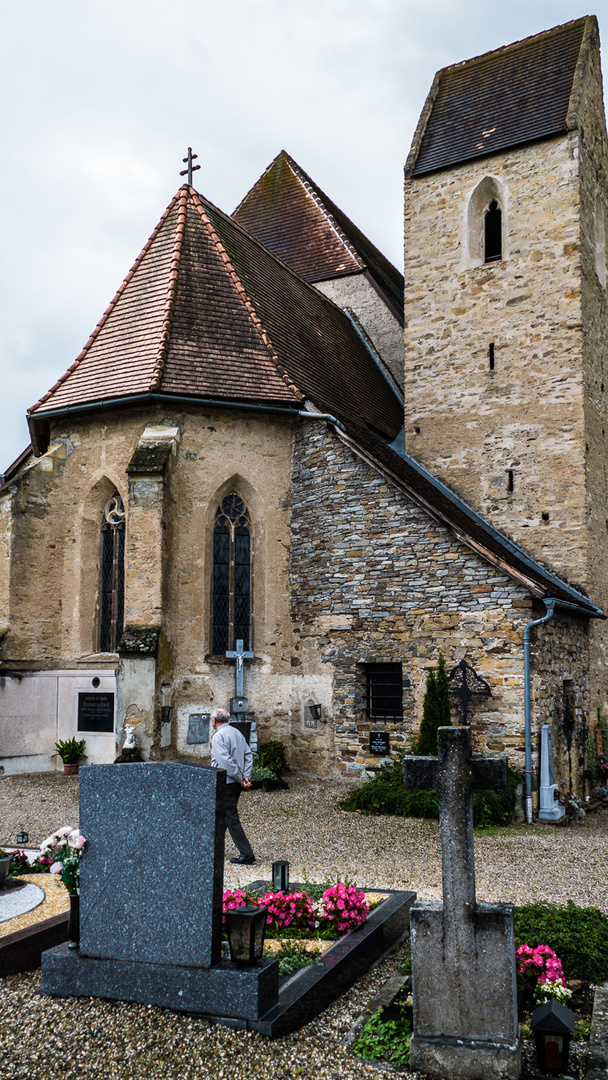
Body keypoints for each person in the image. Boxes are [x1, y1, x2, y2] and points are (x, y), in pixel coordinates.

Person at [210, 708, 255, 865]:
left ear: (215, 720)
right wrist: (245, 776)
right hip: (235, 783)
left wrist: (241, 776)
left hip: (225, 782)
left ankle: (247, 853)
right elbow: (248, 755)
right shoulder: (236, 733)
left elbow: (225, 762)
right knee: (221, 816)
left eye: (211, 719)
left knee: (230, 817)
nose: (211, 722)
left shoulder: (218, 737)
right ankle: (213, 847)